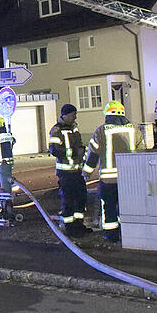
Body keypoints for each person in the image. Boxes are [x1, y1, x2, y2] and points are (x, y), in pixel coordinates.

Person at [83, 101, 145, 242]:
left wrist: (86, 174)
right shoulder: (134, 130)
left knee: (109, 207)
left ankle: (111, 236)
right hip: (131, 179)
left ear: (107, 115)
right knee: (129, 206)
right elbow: (142, 152)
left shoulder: (101, 131)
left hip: (108, 181)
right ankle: (130, 234)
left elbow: (93, 155)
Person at [49, 104, 91, 237]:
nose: (75, 117)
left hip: (77, 171)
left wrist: (82, 153)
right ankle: (70, 228)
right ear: (65, 115)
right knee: (68, 200)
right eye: (73, 114)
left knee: (81, 199)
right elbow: (54, 150)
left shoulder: (74, 128)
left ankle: (79, 225)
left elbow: (79, 145)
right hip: (65, 173)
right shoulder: (56, 130)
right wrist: (74, 153)